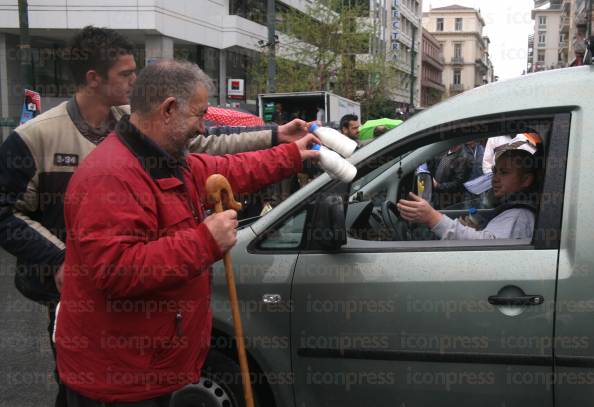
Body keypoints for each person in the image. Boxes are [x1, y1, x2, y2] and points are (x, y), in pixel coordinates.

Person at [0, 25, 310, 407]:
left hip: (144, 365)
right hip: (119, 379)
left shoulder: (164, 158)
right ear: (167, 111)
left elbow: (228, 166)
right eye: (198, 115)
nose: (202, 126)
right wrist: (205, 241)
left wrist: (295, 155)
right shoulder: (111, 175)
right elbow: (116, 271)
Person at [397, 148, 539, 240]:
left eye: (504, 172)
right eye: (495, 171)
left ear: (526, 180)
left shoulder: (519, 216)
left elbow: (486, 248)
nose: (495, 178)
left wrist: (432, 218)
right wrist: (477, 230)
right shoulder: (512, 209)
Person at [429, 143, 474, 209]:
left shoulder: (464, 157)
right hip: (438, 196)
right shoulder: (444, 150)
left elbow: (457, 184)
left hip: (451, 200)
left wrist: (438, 186)